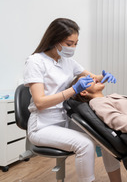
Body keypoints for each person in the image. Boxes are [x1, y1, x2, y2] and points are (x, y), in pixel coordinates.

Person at [23, 18, 121, 182]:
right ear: (55, 39)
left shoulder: (67, 62)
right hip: (42, 126)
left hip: (64, 119)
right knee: (85, 145)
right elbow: (40, 102)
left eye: (76, 43)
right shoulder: (35, 61)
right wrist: (73, 90)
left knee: (105, 137)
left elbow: (93, 77)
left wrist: (102, 77)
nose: (73, 48)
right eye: (69, 43)